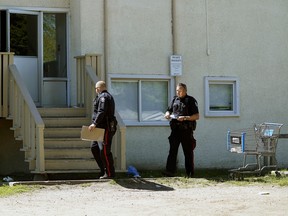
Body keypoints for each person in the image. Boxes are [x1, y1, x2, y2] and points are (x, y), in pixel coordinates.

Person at [163, 83, 199, 178]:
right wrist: (167, 114)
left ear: (185, 91)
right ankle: (169, 172)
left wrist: (185, 118)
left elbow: (196, 116)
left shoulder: (190, 100)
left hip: (186, 130)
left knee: (188, 152)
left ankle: (190, 173)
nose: (178, 92)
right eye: (177, 91)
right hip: (175, 130)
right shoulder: (175, 100)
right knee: (172, 151)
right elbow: (168, 110)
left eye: (180, 90)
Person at [88, 81, 117, 179]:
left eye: (96, 88)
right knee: (94, 148)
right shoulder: (100, 97)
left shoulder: (104, 97)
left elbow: (102, 111)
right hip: (99, 128)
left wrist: (94, 123)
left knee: (104, 151)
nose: (96, 90)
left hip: (105, 127)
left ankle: (109, 173)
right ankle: (103, 170)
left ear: (100, 88)